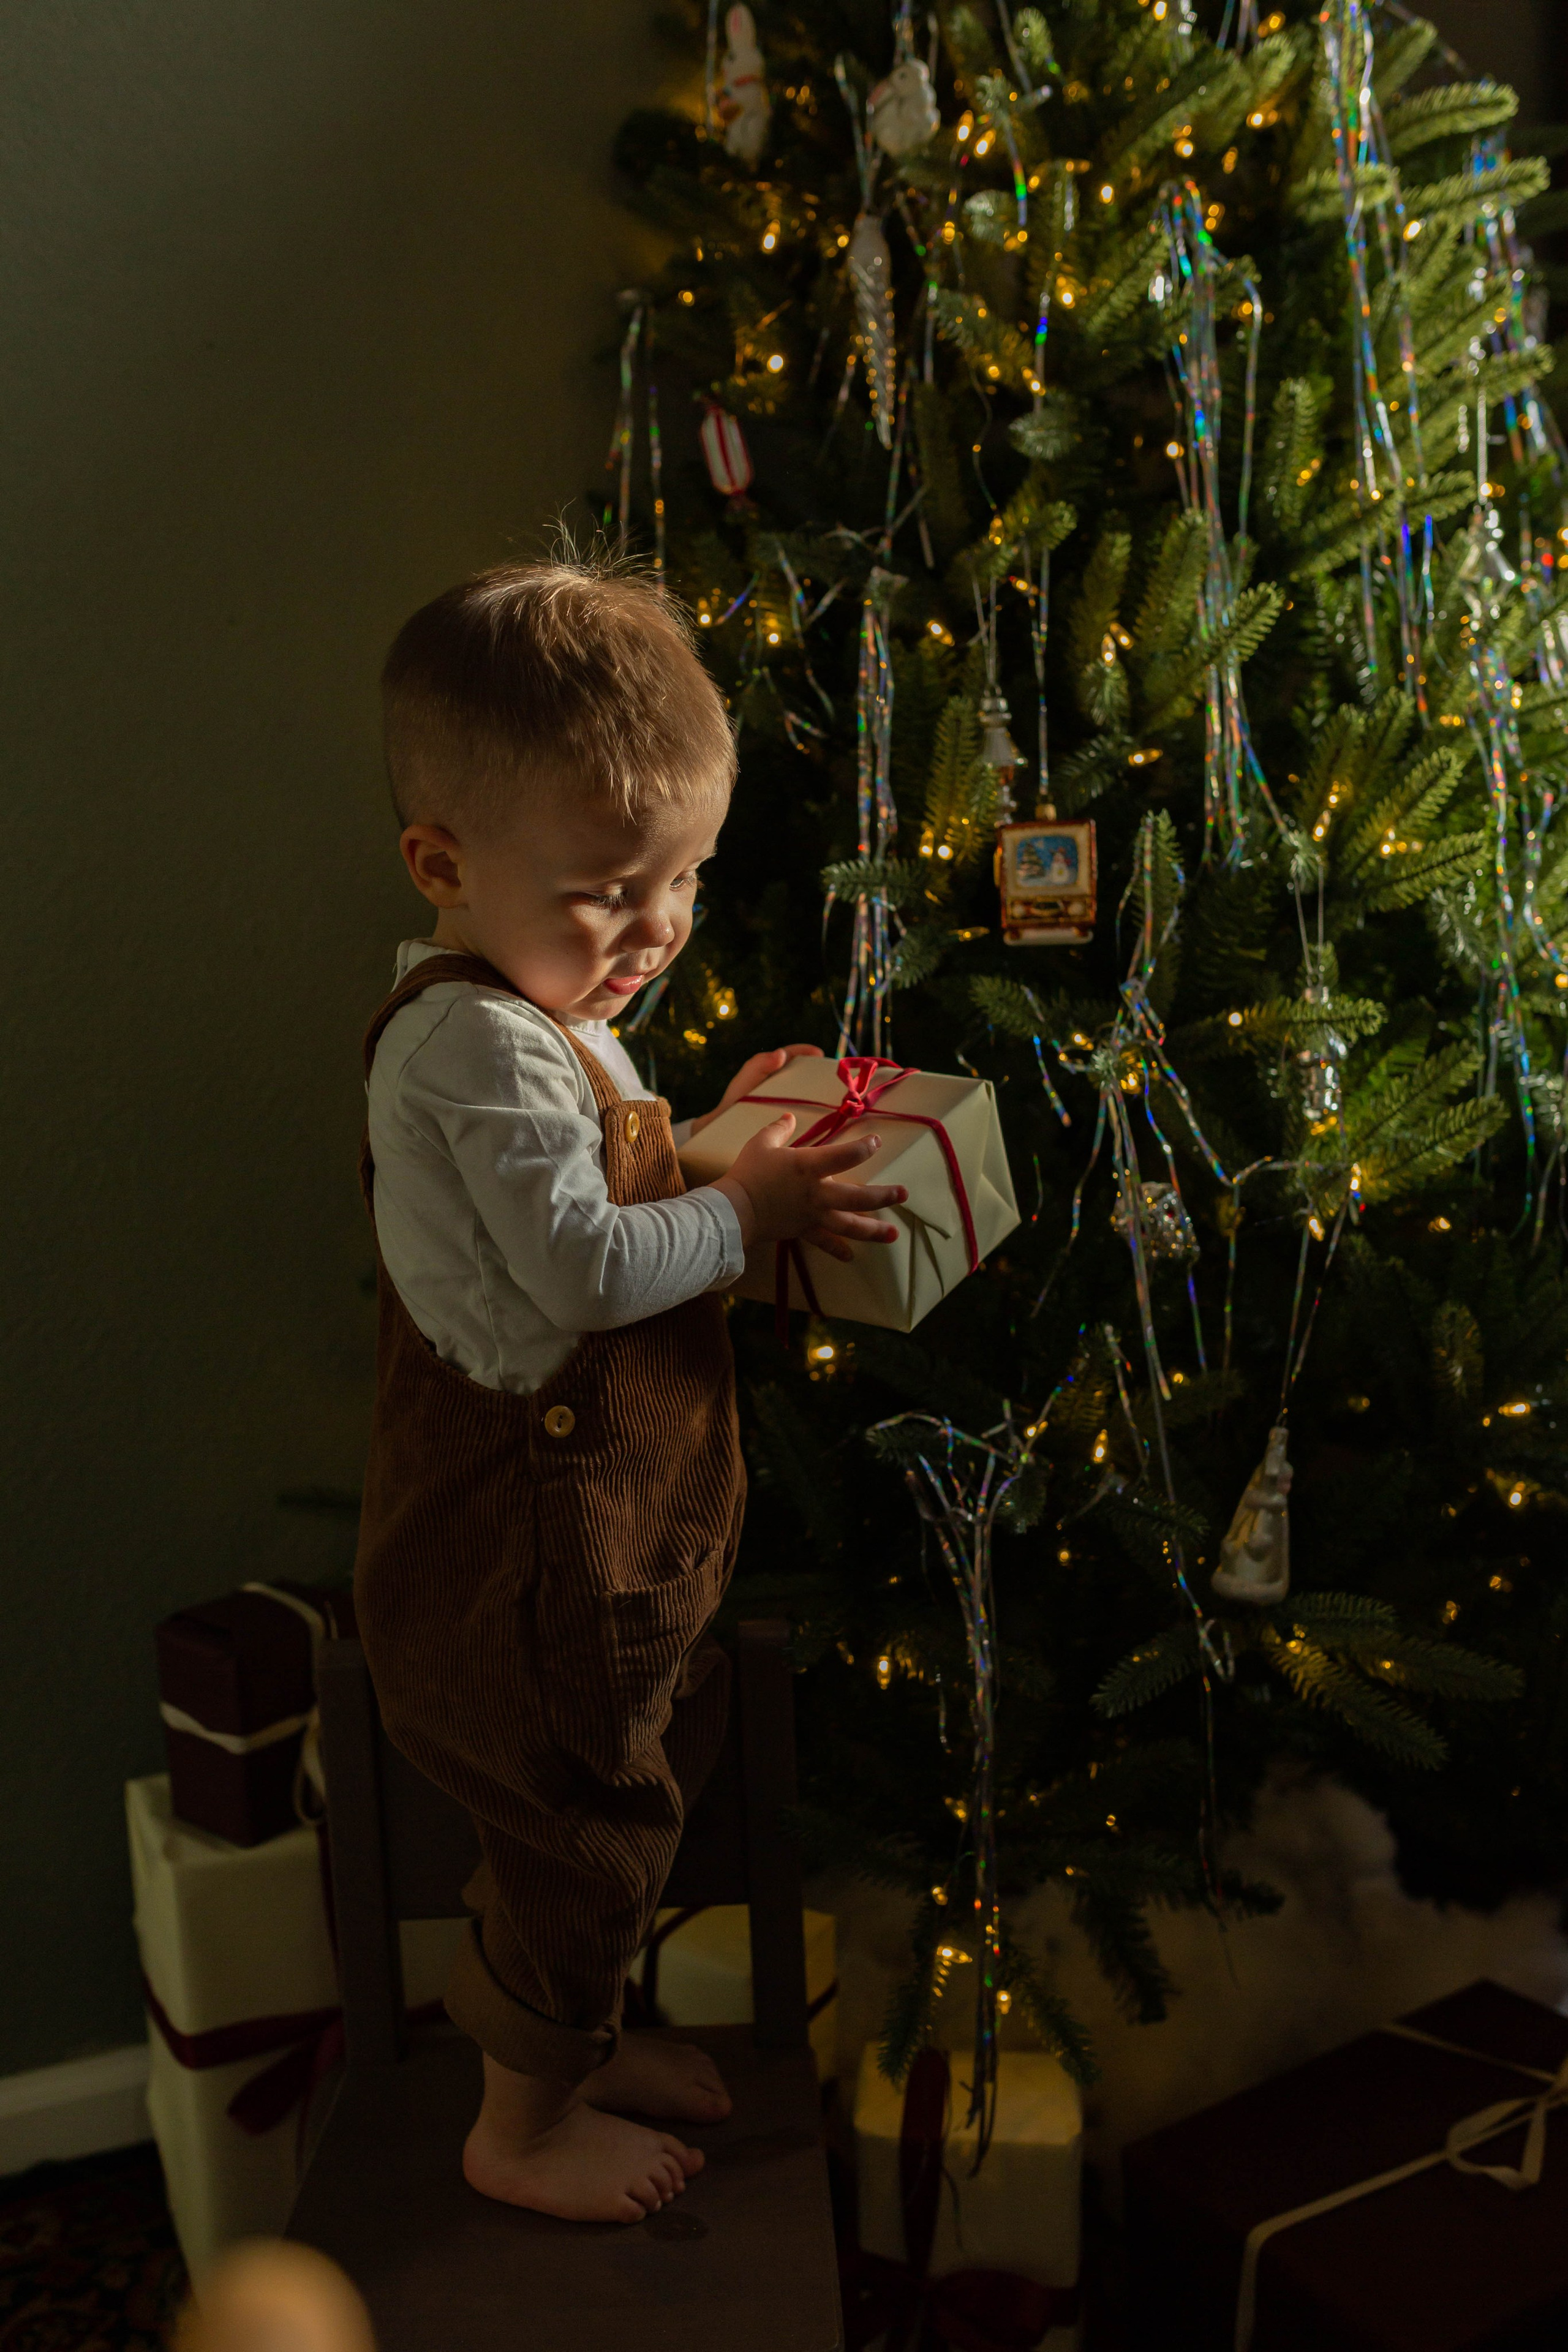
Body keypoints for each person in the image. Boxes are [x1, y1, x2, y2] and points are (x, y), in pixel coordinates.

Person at [355, 556, 907, 2226]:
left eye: (685, 881)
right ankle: (517, 2126)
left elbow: (605, 1168)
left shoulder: (555, 1006)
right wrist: (740, 1211)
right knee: (584, 1828)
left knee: (636, 1792)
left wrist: (713, 1132)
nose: (656, 931)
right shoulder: (470, 1042)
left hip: (620, 1533)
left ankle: (570, 2043)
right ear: (445, 864)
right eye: (611, 891)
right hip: (528, 1550)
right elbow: (590, 1267)